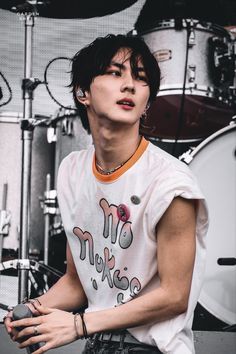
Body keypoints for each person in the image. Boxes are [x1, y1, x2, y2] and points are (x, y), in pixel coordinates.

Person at [4, 33, 208, 354]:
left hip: (151, 349)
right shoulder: (73, 170)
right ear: (83, 92)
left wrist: (77, 325)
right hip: (98, 342)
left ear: (146, 103)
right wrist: (33, 309)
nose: (129, 85)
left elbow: (174, 296)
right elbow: (77, 281)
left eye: (141, 79)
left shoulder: (171, 182)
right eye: (115, 73)